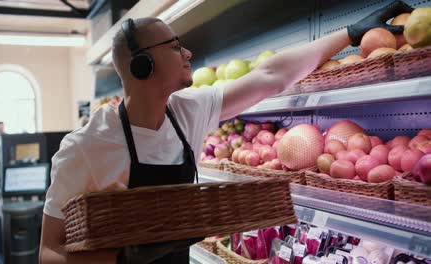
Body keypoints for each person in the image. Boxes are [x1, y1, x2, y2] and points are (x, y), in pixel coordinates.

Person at [39, 1, 413, 263]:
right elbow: (48, 250)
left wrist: (350, 33)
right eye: (174, 47)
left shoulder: (187, 111)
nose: (187, 54)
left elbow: (271, 76)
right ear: (142, 65)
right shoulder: (85, 147)